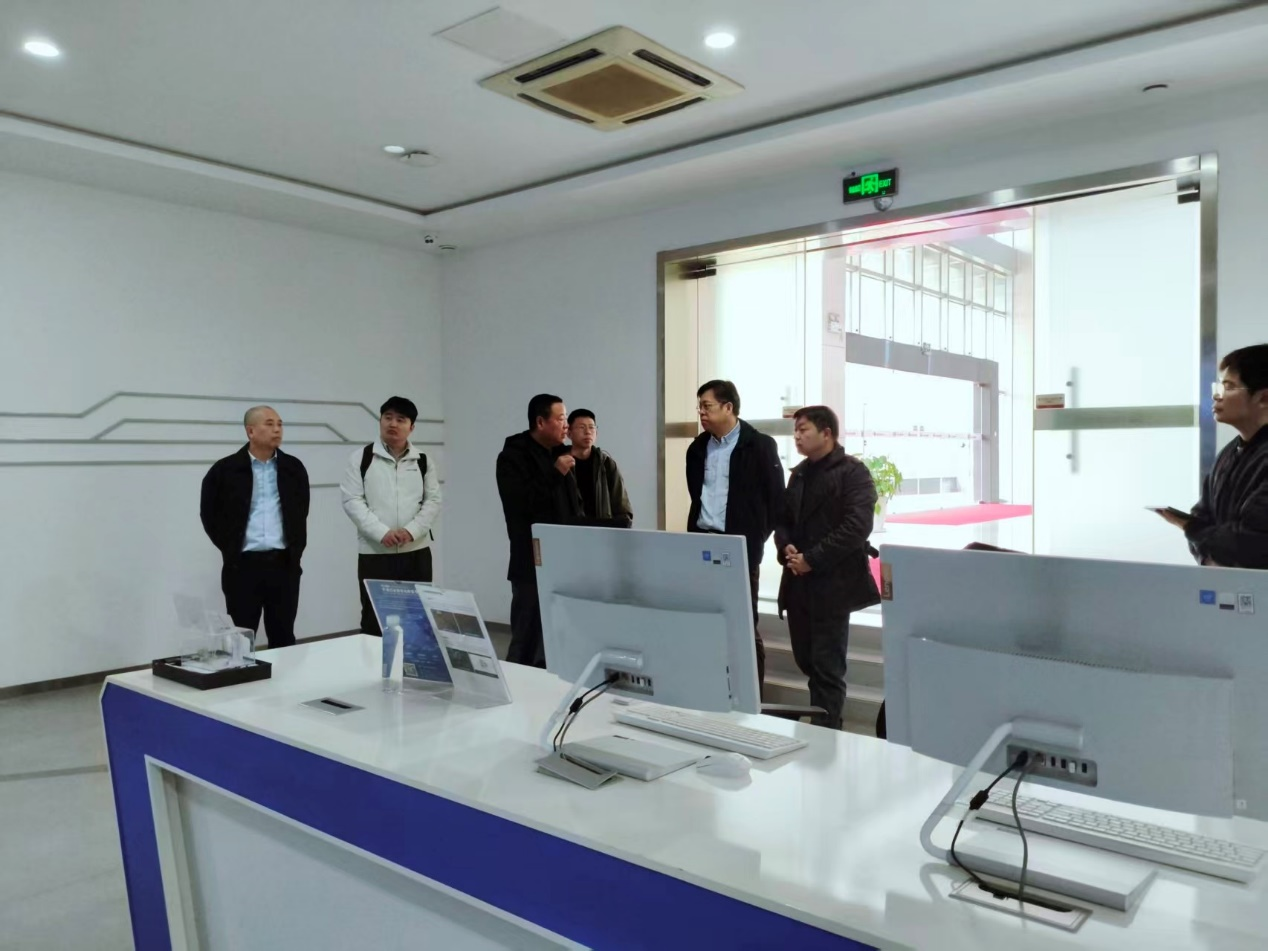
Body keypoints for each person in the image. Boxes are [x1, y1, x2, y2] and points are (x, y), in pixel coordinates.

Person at [775, 406, 880, 730]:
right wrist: (785, 546)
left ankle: (828, 734)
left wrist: (813, 559)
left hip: (833, 585)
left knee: (827, 668)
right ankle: (823, 725)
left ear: (826, 433)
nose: (797, 436)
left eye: (803, 429)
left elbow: (856, 526)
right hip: (798, 584)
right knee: (807, 660)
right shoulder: (799, 473)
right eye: (795, 430)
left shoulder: (853, 472)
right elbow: (783, 519)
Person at [686, 380, 785, 688]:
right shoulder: (697, 448)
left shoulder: (760, 445)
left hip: (738, 548)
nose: (701, 413)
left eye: (707, 406)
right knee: (706, 623)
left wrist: (754, 536)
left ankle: (751, 695)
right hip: (702, 544)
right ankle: (714, 691)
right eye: (699, 407)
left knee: (743, 626)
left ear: (728, 407)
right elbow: (697, 496)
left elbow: (776, 500)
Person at [200, 406, 309, 648]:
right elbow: (209, 514)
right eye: (269, 424)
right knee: (240, 640)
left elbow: (301, 512)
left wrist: (295, 552)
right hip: (242, 567)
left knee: (283, 636)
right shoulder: (225, 470)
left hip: (284, 566)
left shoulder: (293, 468)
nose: (277, 429)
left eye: (279, 424)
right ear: (250, 431)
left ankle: (283, 675)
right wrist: (230, 547)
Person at [1158, 344, 1268, 568]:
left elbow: (1252, 541)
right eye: (1219, 386)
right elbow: (1201, 517)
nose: (1217, 396)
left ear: (1264, 398)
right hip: (1227, 582)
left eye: (1229, 387)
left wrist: (1192, 529)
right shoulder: (1229, 452)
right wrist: (1207, 557)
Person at [340, 396, 442, 635]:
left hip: (416, 552)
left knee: (417, 618)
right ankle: (373, 660)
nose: (393, 424)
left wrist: (411, 531)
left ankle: (411, 660)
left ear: (411, 427)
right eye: (388, 417)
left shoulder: (423, 460)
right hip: (375, 552)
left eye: (400, 419)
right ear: (380, 421)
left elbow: (433, 500)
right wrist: (382, 533)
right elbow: (352, 500)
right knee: (374, 619)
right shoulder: (361, 458)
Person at [496, 394, 583, 667]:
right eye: (561, 419)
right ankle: (515, 682)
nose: (566, 425)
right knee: (526, 634)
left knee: (562, 636)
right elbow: (521, 505)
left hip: (565, 558)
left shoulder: (560, 453)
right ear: (540, 422)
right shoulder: (512, 457)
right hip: (530, 559)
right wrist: (555, 474)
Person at [567, 409, 633, 527]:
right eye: (581, 427)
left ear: (596, 433)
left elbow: (622, 508)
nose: (588, 432)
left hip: (601, 531)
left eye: (591, 427)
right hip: (568, 530)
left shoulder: (606, 464)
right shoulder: (561, 462)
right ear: (569, 433)